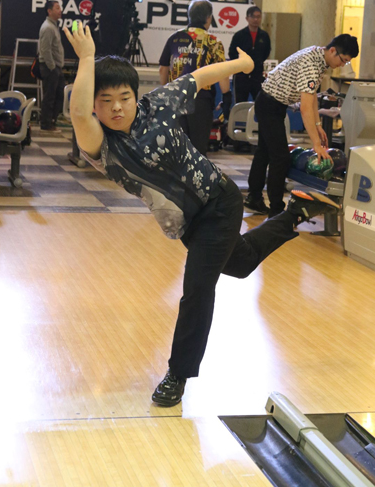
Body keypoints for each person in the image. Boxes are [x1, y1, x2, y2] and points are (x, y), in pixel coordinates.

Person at [63, 20, 339, 407]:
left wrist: (242, 65)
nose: (117, 107)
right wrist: (86, 59)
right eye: (105, 101)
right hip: (186, 223)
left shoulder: (157, 104)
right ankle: (296, 212)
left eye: (124, 97)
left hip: (219, 201)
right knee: (240, 263)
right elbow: (78, 115)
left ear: (135, 94)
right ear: (95, 106)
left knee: (197, 288)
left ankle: (178, 374)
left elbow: (199, 77)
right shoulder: (102, 146)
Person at [245, 34, 359, 218]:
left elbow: (311, 96)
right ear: (333, 50)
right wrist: (316, 144)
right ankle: (276, 210)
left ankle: (254, 198)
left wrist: (317, 125)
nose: (342, 65)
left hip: (272, 103)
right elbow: (305, 108)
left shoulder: (319, 58)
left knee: (265, 151)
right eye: (343, 60)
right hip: (269, 104)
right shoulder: (312, 64)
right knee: (280, 157)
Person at [158, 0, 231, 156]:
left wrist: (165, 92)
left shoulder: (175, 38)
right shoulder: (213, 42)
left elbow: (163, 69)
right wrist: (226, 97)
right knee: (198, 149)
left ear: (189, 16)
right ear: (208, 18)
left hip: (176, 98)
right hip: (200, 100)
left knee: (177, 147)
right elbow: (223, 74)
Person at [228, 5, 271, 103]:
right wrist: (242, 65)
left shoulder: (264, 36)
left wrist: (257, 62)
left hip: (257, 76)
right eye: (253, 17)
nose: (256, 19)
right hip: (241, 76)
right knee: (240, 103)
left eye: (258, 17)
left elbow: (266, 52)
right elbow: (232, 53)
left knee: (260, 103)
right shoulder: (239, 35)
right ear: (247, 18)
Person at [38, 0, 65, 132]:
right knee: (50, 96)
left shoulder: (54, 26)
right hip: (50, 68)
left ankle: (52, 121)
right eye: (57, 8)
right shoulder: (48, 27)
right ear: (49, 11)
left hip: (56, 67)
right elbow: (45, 50)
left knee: (59, 95)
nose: (60, 10)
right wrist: (52, 67)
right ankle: (46, 123)